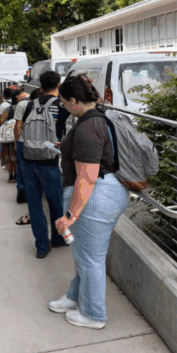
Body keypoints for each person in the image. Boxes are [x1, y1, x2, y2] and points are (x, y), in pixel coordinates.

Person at [49, 74, 130, 330]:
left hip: (95, 197)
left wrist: (70, 216)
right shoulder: (98, 118)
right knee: (84, 255)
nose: (63, 107)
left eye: (63, 103)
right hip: (106, 192)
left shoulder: (87, 127)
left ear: (74, 101)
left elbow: (87, 177)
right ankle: (75, 298)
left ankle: (94, 314)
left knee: (90, 259)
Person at [16, 71, 69, 258]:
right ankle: (57, 238)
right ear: (58, 85)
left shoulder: (31, 105)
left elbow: (22, 129)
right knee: (56, 203)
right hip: (49, 161)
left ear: (40, 85)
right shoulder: (61, 106)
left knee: (35, 206)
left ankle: (41, 246)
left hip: (28, 161)